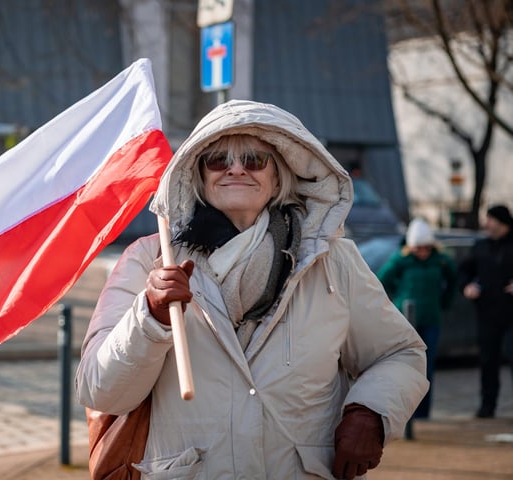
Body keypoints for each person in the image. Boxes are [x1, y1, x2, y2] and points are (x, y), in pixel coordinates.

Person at [76, 100, 429, 479]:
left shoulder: (332, 260)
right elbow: (102, 392)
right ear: (198, 175)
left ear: (279, 176)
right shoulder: (150, 259)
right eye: (217, 160)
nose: (236, 169)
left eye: (254, 160)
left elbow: (400, 354)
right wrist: (150, 317)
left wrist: (370, 413)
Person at [377, 218, 457, 419]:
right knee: (404, 366)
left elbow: (453, 281)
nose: (422, 253)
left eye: (426, 248)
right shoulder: (401, 260)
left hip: (431, 318)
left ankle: (423, 412)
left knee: (427, 367)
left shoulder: (440, 260)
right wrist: (397, 302)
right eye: (418, 249)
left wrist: (445, 303)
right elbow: (382, 280)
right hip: (406, 321)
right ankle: (404, 411)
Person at [458, 204, 513, 419]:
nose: (486, 224)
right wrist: (467, 286)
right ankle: (487, 406)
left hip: (512, 314)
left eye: (490, 220)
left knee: (511, 353)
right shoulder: (480, 246)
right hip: (487, 313)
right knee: (488, 360)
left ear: (502, 222)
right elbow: (464, 272)